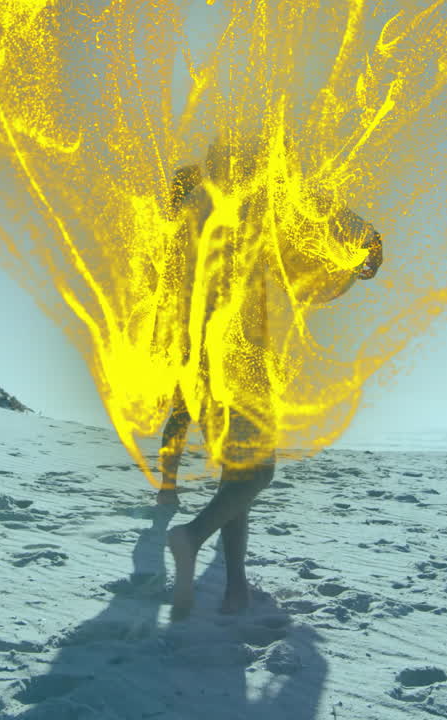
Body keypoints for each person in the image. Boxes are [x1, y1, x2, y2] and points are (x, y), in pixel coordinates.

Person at [163, 138, 382, 618]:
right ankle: (191, 537)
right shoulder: (243, 220)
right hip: (241, 360)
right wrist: (358, 258)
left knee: (237, 471)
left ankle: (235, 587)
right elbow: (304, 278)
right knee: (257, 472)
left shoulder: (190, 225)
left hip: (200, 364)